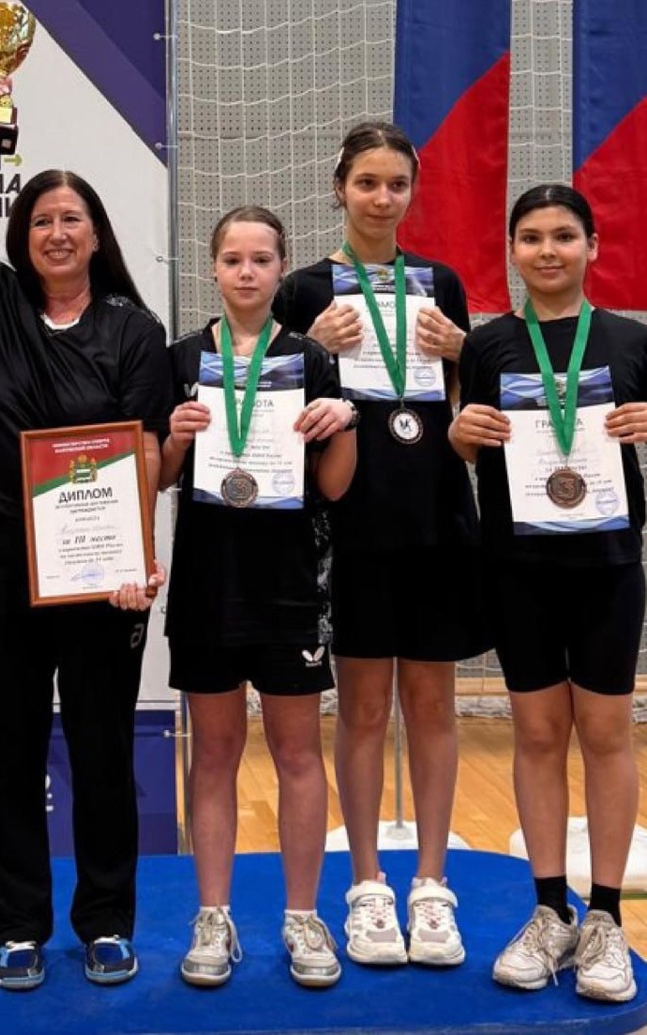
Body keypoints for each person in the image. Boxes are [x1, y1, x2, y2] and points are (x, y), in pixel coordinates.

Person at [0, 76, 169, 990]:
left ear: (97, 235)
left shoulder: (135, 329)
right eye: (40, 221)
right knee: (9, 746)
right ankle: (17, 925)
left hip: (101, 569)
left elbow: (147, 449)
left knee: (103, 748)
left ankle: (106, 920)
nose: (57, 233)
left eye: (72, 219)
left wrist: (140, 559)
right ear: (22, 237)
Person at [273, 121, 486, 967]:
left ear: (412, 191)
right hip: (350, 519)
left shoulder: (443, 283)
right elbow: (267, 410)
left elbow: (473, 408)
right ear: (340, 188)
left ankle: (431, 886)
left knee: (433, 704)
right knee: (362, 707)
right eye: (367, 182)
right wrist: (310, 350)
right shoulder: (302, 289)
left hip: (435, 512)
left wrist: (465, 348)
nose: (382, 197)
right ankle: (366, 885)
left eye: (397, 183)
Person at [451, 184, 642, 1004]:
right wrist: (460, 434)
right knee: (534, 733)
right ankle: (549, 908)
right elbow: (468, 439)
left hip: (607, 566)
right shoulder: (488, 344)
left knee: (604, 733)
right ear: (512, 251)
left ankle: (606, 917)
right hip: (517, 567)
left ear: (593, 245)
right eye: (530, 237)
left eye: (564, 235)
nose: (548, 250)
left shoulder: (630, 340)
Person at [165, 206, 356, 989]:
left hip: (289, 588)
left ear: (282, 267)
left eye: (262, 259)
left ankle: (303, 914)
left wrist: (344, 421)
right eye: (233, 259)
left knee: (297, 753)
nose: (247, 271)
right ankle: (213, 915)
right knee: (212, 754)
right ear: (212, 268)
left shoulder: (311, 360)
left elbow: (335, 485)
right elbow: (157, 475)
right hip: (206, 584)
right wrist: (176, 435)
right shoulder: (182, 359)